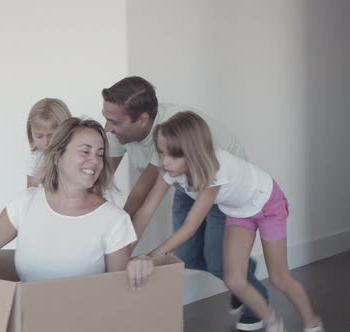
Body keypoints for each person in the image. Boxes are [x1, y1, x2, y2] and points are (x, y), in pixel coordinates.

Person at [101, 76, 269, 331]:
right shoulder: (116, 128)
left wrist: (119, 254)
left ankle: (251, 294)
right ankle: (237, 269)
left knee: (218, 262)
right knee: (187, 255)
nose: (107, 128)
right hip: (186, 184)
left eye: (113, 121)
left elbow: (141, 201)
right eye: (105, 117)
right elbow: (100, 184)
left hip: (224, 191)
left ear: (143, 120)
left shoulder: (167, 134)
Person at [132, 111, 323, 332]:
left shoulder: (214, 171)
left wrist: (148, 257)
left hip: (268, 203)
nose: (164, 162)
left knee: (279, 277)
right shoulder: (170, 170)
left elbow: (190, 227)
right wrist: (130, 251)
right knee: (234, 280)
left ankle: (312, 322)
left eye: (173, 155)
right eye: (161, 153)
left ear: (193, 153)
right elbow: (146, 209)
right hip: (238, 211)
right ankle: (271, 321)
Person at [0, 118, 153, 287]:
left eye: (100, 154)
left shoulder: (113, 220)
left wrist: (137, 267)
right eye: (85, 151)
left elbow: (118, 291)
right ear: (58, 157)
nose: (95, 161)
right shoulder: (26, 203)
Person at [25, 98, 72, 188]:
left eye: (51, 136)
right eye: (39, 136)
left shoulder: (73, 155)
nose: (46, 142)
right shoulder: (36, 158)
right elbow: (30, 191)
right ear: (30, 134)